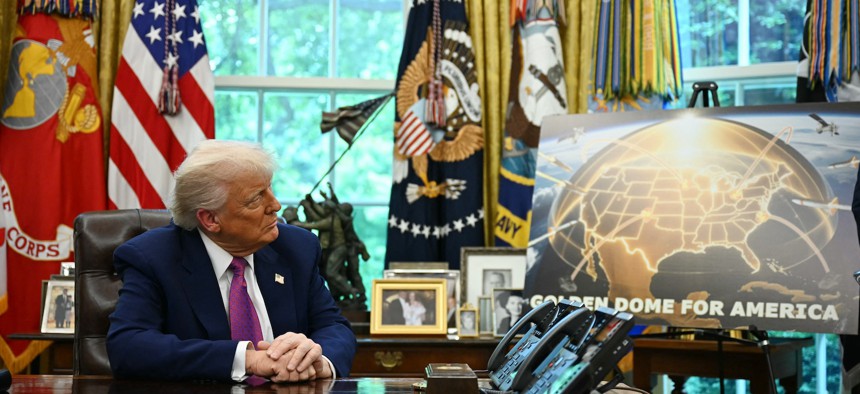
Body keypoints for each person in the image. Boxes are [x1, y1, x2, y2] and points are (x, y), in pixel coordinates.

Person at [106, 140, 356, 383]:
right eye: (256, 198)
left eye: (270, 189)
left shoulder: (297, 248)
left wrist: (317, 360)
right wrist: (248, 360)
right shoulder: (153, 258)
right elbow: (128, 347)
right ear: (210, 219)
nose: (276, 205)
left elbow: (333, 326)